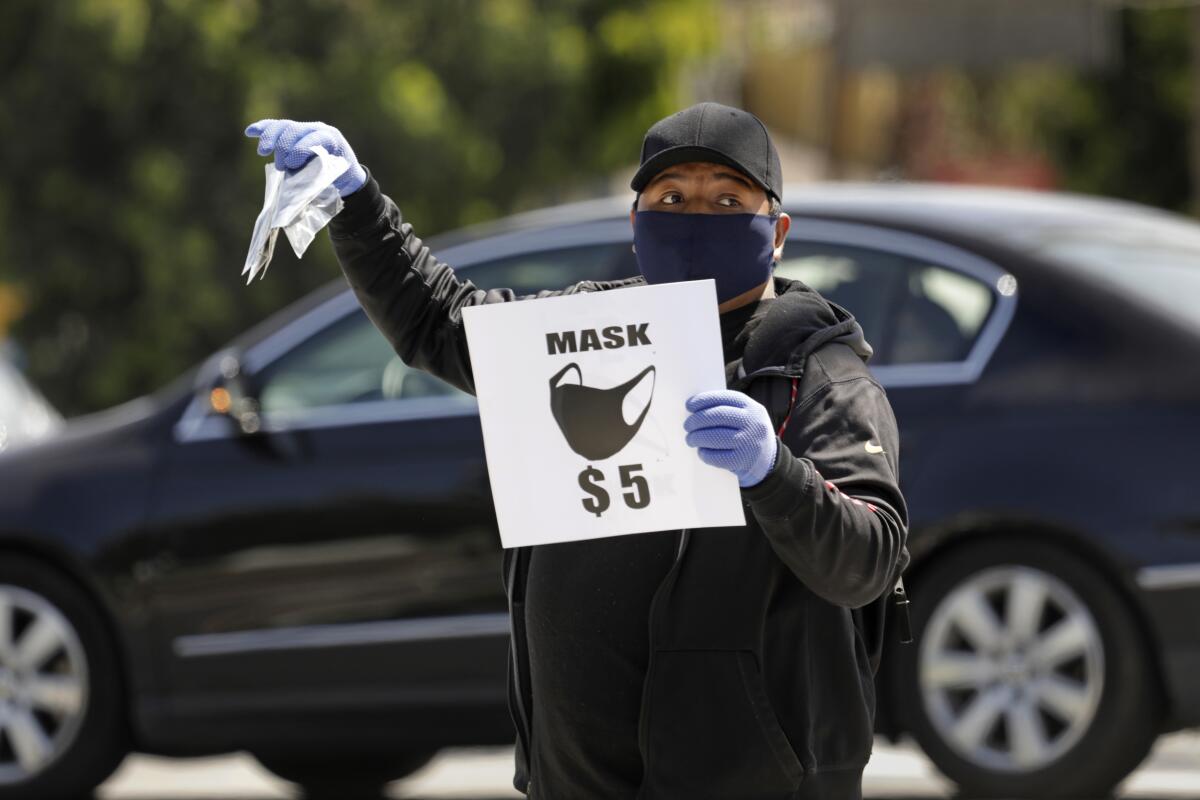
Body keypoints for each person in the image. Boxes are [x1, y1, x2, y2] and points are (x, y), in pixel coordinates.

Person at [246, 101, 911, 800]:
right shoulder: (588, 330)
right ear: (636, 224)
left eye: (726, 199)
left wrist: (775, 475)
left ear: (775, 233)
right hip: (577, 777)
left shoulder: (824, 378)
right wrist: (356, 203)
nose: (695, 216)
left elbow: (867, 560)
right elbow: (438, 321)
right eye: (672, 198)